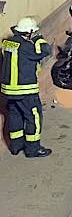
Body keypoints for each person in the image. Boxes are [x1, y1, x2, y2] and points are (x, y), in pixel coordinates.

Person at [1, 17, 52, 157]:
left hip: (8, 90)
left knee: (14, 115)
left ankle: (16, 146)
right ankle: (33, 149)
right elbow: (45, 50)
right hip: (25, 90)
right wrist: (38, 38)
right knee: (33, 116)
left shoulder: (7, 43)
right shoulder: (27, 46)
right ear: (29, 32)